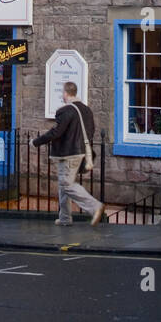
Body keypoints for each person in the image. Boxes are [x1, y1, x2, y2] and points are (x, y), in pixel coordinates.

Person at [31, 81, 105, 226]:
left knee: (66, 184)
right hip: (81, 152)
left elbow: (56, 132)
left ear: (65, 93)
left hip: (69, 154)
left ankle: (95, 206)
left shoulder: (65, 111)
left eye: (62, 93)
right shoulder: (87, 110)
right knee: (63, 185)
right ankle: (65, 217)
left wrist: (36, 141)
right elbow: (91, 131)